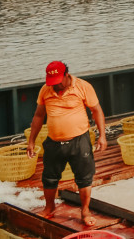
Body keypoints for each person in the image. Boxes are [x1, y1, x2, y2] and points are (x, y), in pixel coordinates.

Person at [26, 61, 107, 226]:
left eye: (58, 81)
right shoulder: (45, 90)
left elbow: (97, 111)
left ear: (66, 75)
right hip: (54, 142)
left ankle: (85, 211)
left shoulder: (83, 86)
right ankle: (49, 208)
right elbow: (39, 116)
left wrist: (102, 136)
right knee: (49, 177)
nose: (55, 85)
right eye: (52, 82)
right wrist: (31, 141)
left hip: (79, 140)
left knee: (84, 177)